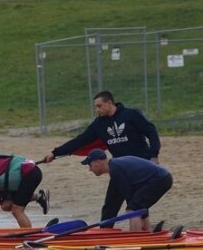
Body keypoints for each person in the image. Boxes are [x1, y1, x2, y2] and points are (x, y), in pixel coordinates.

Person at [43, 90, 161, 223]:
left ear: (109, 103)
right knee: (110, 206)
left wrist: (154, 155)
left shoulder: (131, 115)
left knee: (135, 205)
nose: (97, 110)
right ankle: (105, 234)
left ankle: (144, 234)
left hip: (140, 167)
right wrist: (55, 152)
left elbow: (151, 131)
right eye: (95, 107)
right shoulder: (99, 124)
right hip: (120, 169)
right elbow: (80, 140)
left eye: (99, 106)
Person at [81, 149, 172, 231]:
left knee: (133, 209)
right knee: (111, 204)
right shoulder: (114, 168)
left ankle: (136, 240)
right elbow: (111, 204)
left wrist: (138, 212)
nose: (90, 169)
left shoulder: (116, 169)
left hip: (160, 179)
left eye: (90, 165)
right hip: (155, 179)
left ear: (98, 162)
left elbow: (130, 197)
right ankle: (104, 231)